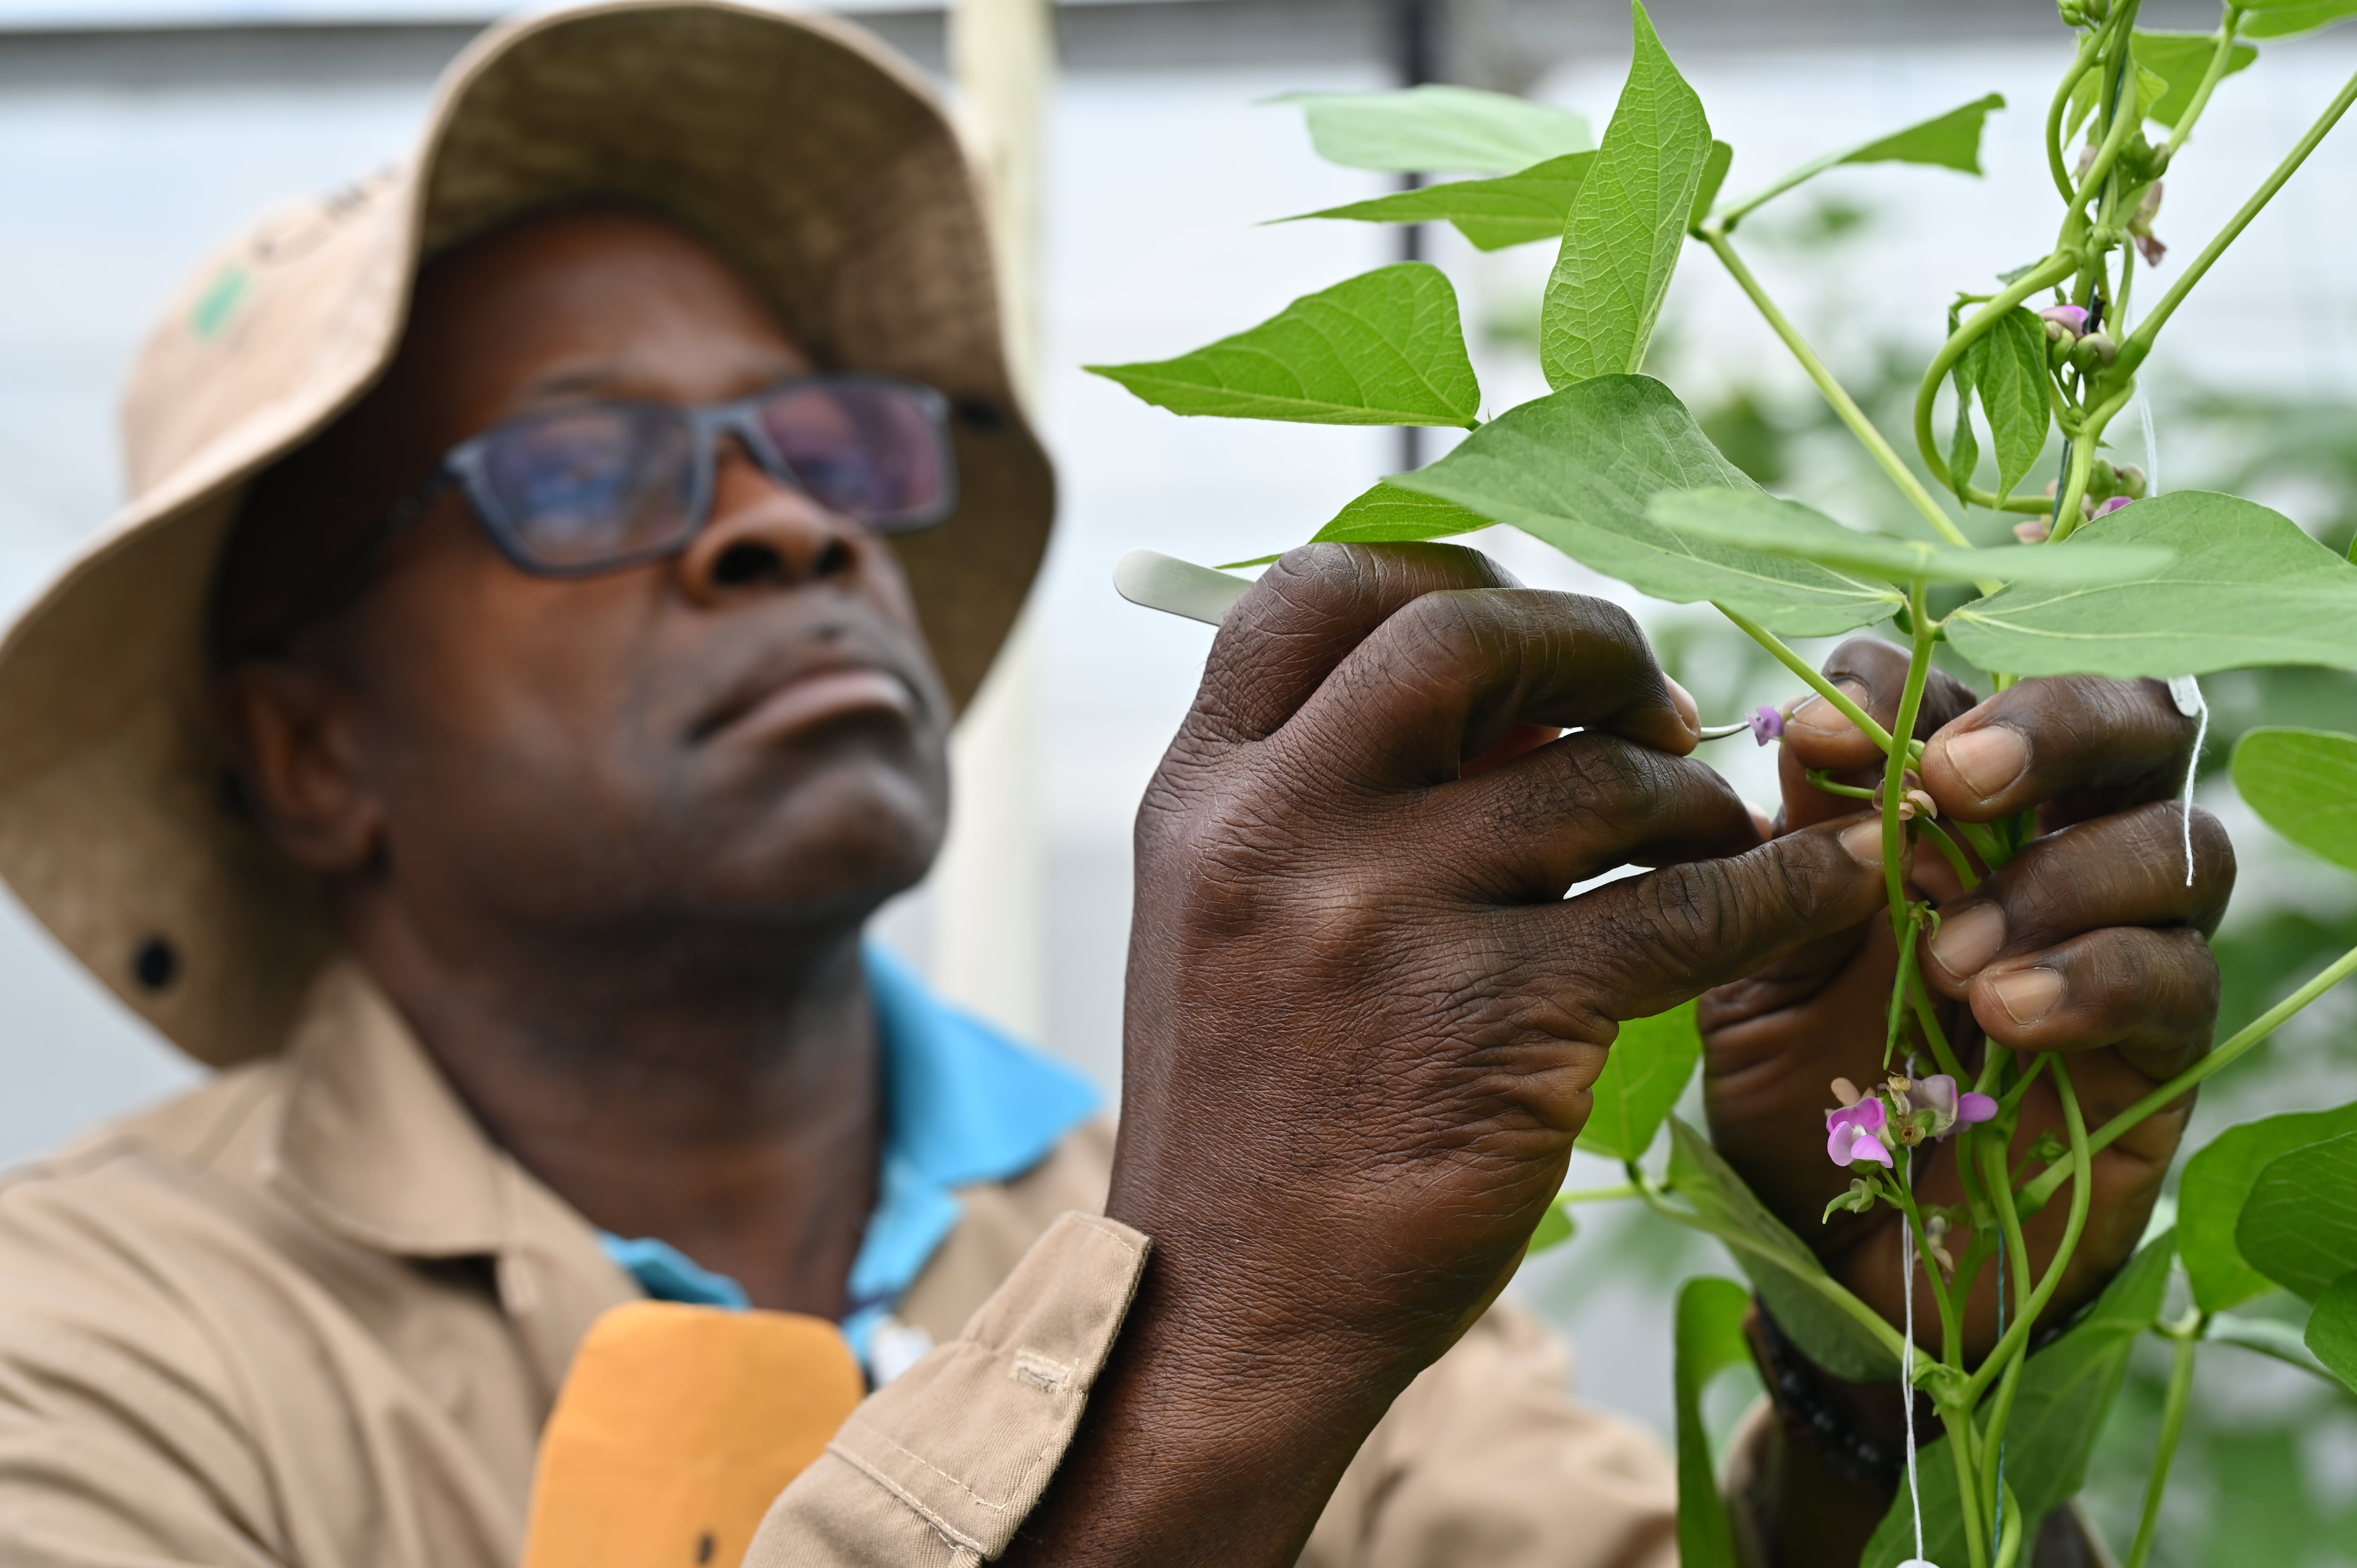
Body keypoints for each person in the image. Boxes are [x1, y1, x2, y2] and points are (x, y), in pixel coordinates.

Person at [0, 4, 2228, 1566]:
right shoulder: (95, 1351)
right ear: (306, 752)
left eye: (825, 440)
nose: (791, 522)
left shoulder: (1226, 1203)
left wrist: (1877, 1360)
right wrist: (1208, 1332)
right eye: (583, 467)